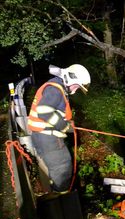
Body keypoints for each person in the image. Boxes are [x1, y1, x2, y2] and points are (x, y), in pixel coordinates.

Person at [28, 64, 91, 192]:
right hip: (48, 138)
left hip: (43, 136)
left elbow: (54, 111)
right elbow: (44, 111)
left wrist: (67, 122)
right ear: (70, 79)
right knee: (62, 168)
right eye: (77, 86)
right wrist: (65, 126)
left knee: (57, 168)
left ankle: (56, 191)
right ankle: (62, 199)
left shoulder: (56, 87)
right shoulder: (55, 89)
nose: (76, 90)